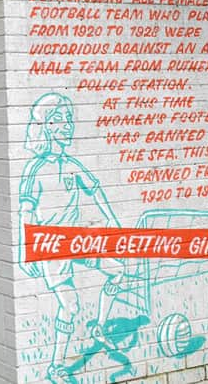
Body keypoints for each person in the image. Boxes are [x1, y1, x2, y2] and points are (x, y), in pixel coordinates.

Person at [18, 92, 125, 383]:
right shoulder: (35, 169)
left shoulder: (72, 164)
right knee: (71, 306)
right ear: (46, 127)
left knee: (117, 270)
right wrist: (25, 250)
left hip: (77, 240)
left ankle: (98, 327)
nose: (68, 125)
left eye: (69, 119)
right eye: (60, 120)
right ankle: (56, 367)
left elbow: (96, 189)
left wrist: (113, 221)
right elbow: (25, 213)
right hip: (51, 245)